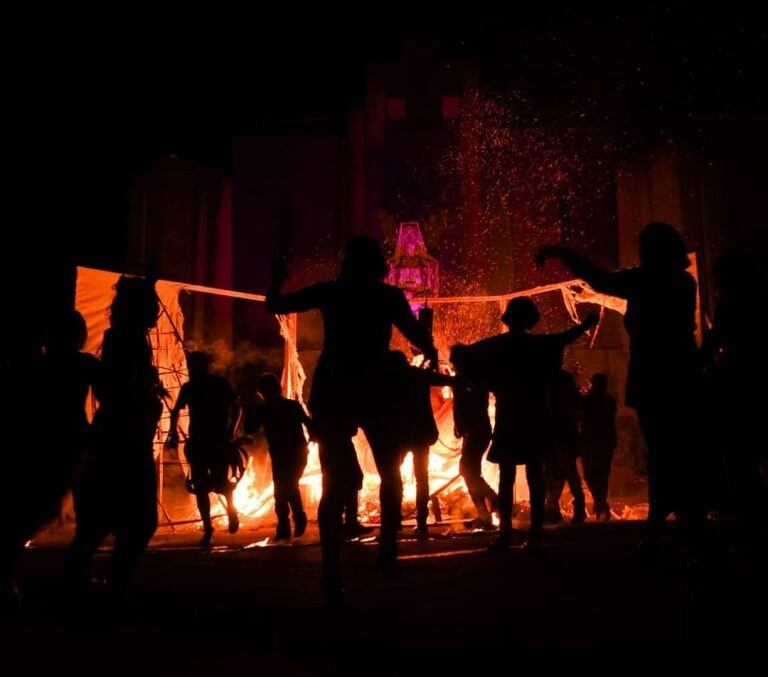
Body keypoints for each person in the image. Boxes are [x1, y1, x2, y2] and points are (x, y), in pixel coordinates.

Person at [265, 236, 438, 597]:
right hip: (376, 387)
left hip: (334, 388)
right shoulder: (388, 296)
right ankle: (387, 557)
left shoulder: (333, 291)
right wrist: (426, 332)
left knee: (333, 482)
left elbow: (275, 304)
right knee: (391, 475)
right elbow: (420, 341)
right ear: (378, 265)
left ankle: (331, 570)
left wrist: (277, 277)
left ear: (346, 263)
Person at [538, 222, 708, 556]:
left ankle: (667, 530)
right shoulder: (682, 281)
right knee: (682, 451)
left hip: (656, 376)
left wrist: (563, 253)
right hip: (683, 373)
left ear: (652, 251)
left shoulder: (649, 280)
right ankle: (689, 528)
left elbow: (605, 280)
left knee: (663, 453)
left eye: (643, 247)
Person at [463, 297, 597, 554]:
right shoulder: (539, 345)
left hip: (509, 415)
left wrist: (482, 380)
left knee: (506, 476)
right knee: (535, 476)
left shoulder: (497, 345)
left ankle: (504, 534)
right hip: (536, 414)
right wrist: (587, 324)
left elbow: (466, 355)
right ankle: (534, 534)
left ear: (509, 319)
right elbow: (564, 337)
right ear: (530, 320)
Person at [65, 276, 163, 602]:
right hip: (123, 443)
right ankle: (105, 590)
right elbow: (116, 390)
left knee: (107, 523)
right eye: (152, 307)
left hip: (124, 440)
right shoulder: (126, 341)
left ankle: (95, 585)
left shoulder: (129, 338)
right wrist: (143, 391)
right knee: (131, 522)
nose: (157, 313)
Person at [1, 311, 98, 608]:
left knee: (66, 509)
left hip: (58, 442)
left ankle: (72, 575)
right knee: (47, 508)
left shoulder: (46, 365)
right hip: (66, 442)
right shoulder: (79, 364)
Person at [703, 253, 768, 545]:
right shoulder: (760, 300)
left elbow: (713, 344)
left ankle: (754, 527)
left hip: (738, 390)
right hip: (755, 387)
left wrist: (702, 365)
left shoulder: (732, 304)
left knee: (740, 460)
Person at [168, 351, 242, 547]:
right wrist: (172, 433)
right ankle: (209, 528)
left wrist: (231, 431)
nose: (194, 370)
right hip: (201, 442)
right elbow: (176, 411)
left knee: (219, 482)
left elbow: (236, 407)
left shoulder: (217, 383)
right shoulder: (190, 387)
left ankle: (231, 510)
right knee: (201, 487)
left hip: (216, 440)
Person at [389, 349, 456, 535]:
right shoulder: (416, 375)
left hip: (401, 434)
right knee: (421, 477)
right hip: (420, 433)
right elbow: (445, 380)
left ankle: (394, 519)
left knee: (393, 476)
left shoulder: (391, 379)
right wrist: (460, 380)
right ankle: (421, 521)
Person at [248, 372, 310, 541]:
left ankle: (291, 522)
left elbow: (249, 429)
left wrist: (250, 410)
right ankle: (289, 524)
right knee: (286, 487)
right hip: (293, 453)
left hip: (289, 453)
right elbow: (308, 423)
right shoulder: (289, 406)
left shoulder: (265, 410)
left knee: (285, 487)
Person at [450, 344, 498, 530]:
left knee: (467, 470)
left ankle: (492, 502)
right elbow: (459, 406)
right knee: (470, 472)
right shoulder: (466, 379)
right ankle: (486, 512)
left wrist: (464, 426)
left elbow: (472, 406)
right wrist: (458, 426)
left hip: (477, 431)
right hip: (472, 431)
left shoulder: (473, 380)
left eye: (455, 361)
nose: (453, 364)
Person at [544, 369, 587, 525]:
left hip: (561, 436)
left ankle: (576, 509)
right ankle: (553, 509)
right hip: (559, 436)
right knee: (560, 473)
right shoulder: (567, 390)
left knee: (565, 472)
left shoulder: (553, 388)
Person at [580, 373, 617, 521]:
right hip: (604, 442)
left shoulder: (588, 401)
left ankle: (599, 503)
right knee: (601, 474)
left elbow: (579, 414)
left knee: (592, 474)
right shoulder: (609, 400)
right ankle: (600, 502)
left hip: (590, 442)